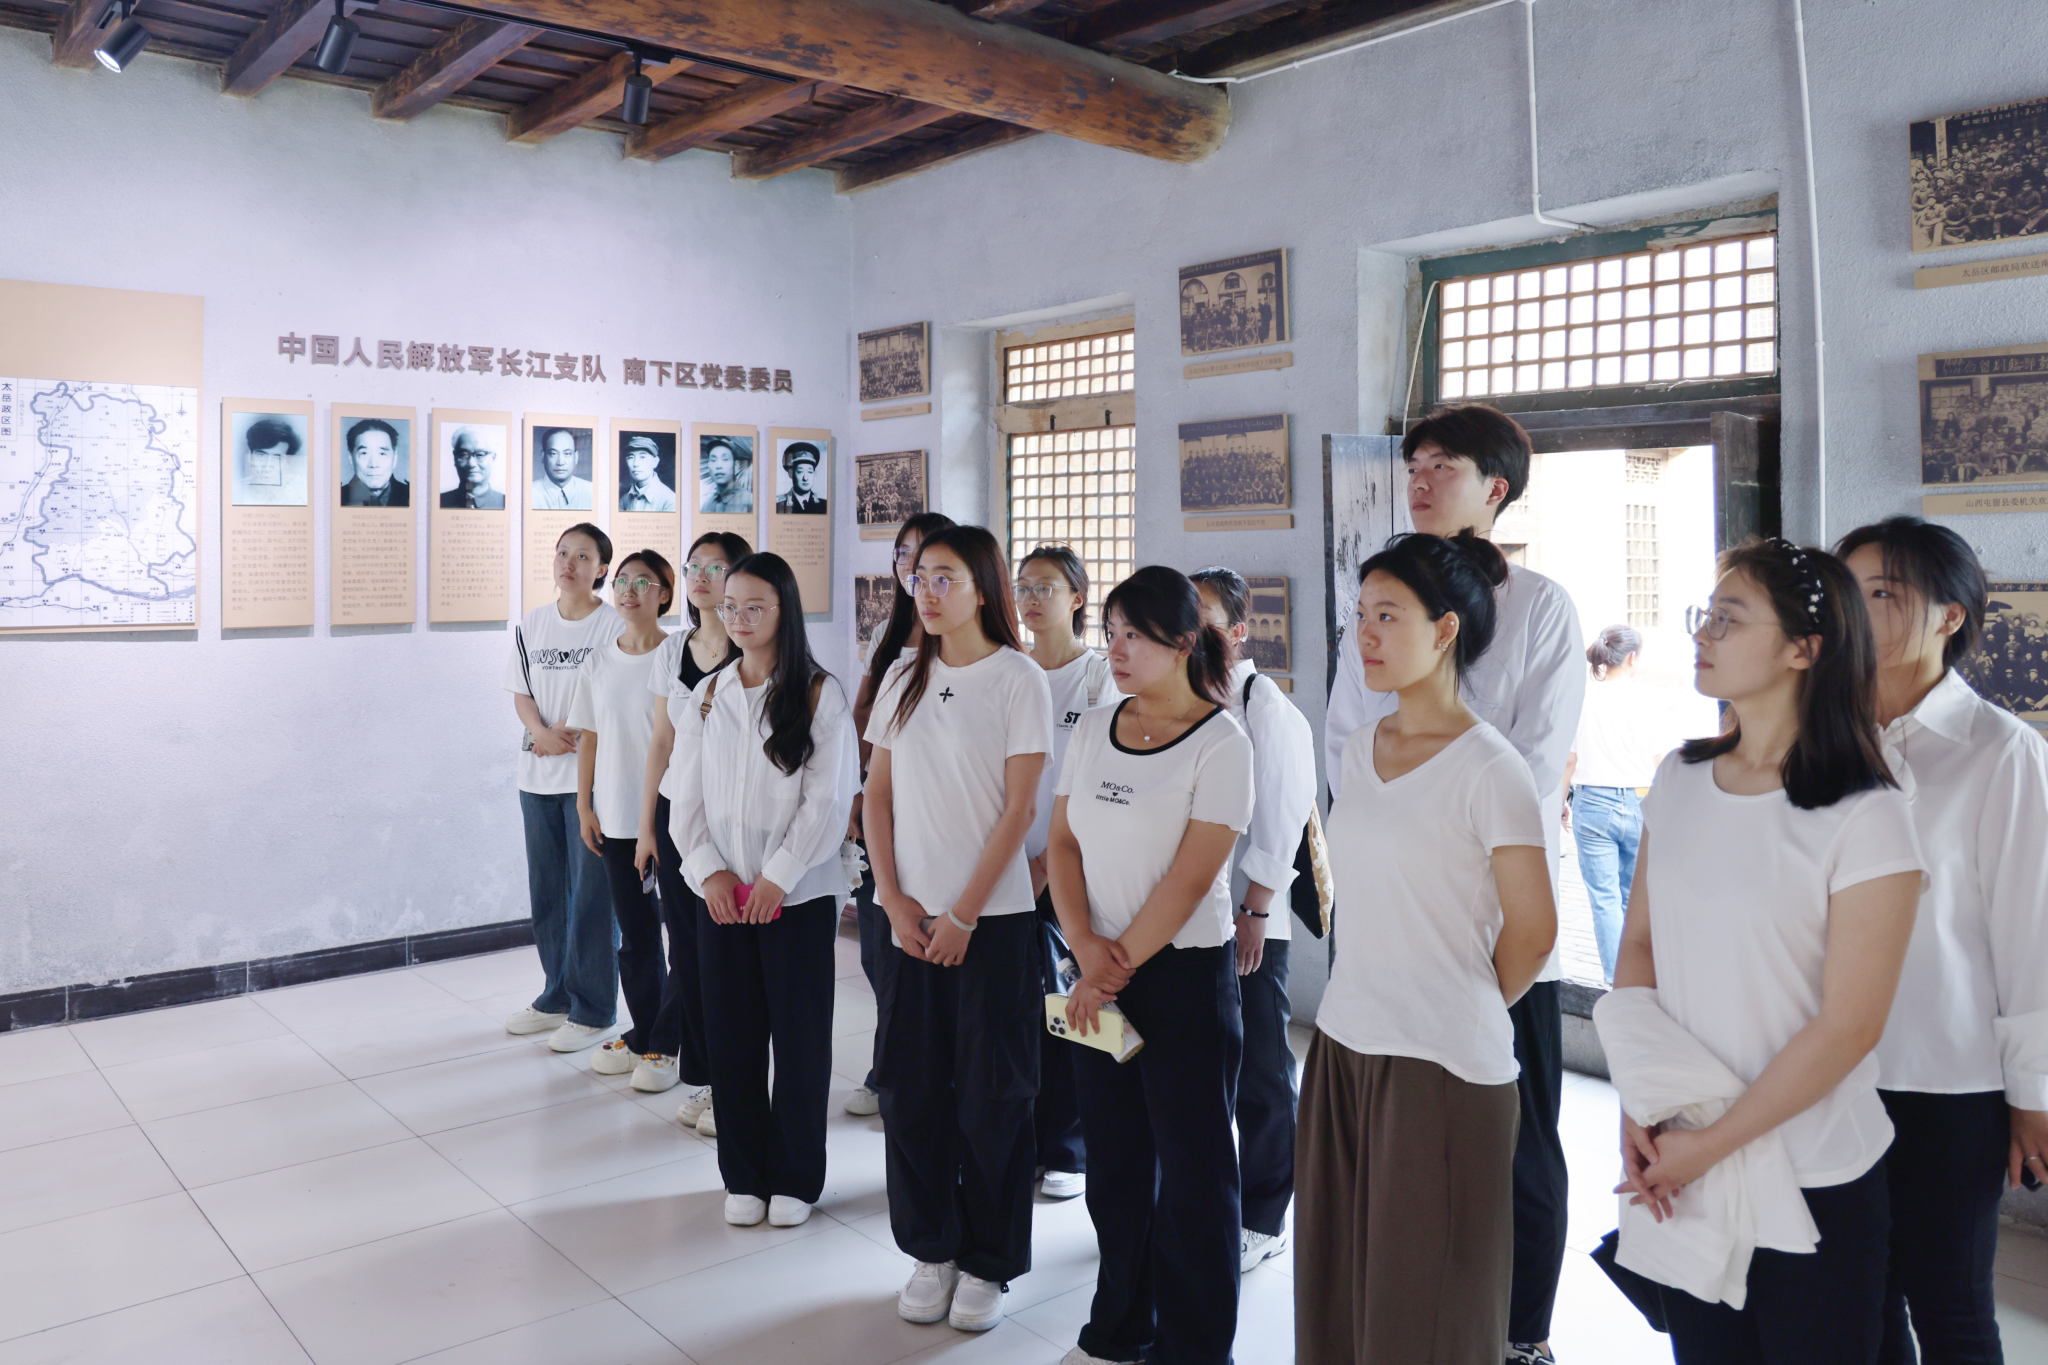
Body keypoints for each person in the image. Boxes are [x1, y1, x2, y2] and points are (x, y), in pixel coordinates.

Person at [1602, 538, 1925, 1362]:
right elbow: (1640, 946)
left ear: (1803, 649)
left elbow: (1849, 1025)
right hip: (1688, 1158)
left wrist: (1708, 1145)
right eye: (1704, 615)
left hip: (1813, 1170)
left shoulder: (1867, 813)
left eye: (1728, 618)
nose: (1702, 633)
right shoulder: (1679, 777)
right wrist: (1640, 1102)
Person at [1322, 404, 1584, 1365]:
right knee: (1388, 1171)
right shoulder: (1378, 599)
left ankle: (1523, 1331)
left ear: (1496, 488)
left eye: (1445, 466)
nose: (1421, 481)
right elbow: (1347, 735)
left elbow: (1534, 756)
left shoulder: (1540, 605)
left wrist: (1468, 985)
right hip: (1395, 912)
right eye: (1415, 465)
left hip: (1497, 912)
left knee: (1520, 1138)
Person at [1835, 517, 2048, 1365]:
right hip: (1826, 1070)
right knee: (1862, 1302)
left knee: (1952, 1305)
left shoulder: (2002, 752)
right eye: (1849, 590)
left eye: (1883, 592)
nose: (1857, 609)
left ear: (1949, 616)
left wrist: (2032, 1093)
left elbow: (2032, 931)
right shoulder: (1822, 738)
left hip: (1949, 1080)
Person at [1047, 566, 1253, 1365]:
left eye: (1136, 634)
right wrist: (1082, 947)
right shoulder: (1095, 725)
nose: (1118, 649)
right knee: (1116, 1164)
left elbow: (1192, 878)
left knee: (1196, 1176)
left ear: (1184, 641)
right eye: (1112, 633)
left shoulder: (1221, 742)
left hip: (1182, 980)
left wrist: (1110, 965)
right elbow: (1063, 842)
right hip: (1095, 968)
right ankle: (1118, 1326)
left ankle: (1195, 1348)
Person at [864, 524, 1053, 1334]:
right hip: (908, 920)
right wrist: (894, 898)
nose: (929, 591)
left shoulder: (1018, 678)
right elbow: (877, 795)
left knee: (993, 1097)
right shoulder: (903, 672)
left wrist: (964, 912)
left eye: (946, 577)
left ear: (984, 588)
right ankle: (931, 1247)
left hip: (993, 924)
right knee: (909, 1092)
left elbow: (1020, 810)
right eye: (921, 578)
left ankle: (988, 1260)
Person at [672, 551, 856, 1229]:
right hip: (722, 897)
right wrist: (708, 869)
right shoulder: (708, 693)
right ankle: (744, 1173)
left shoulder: (818, 693)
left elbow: (827, 799)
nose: (740, 618)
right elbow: (683, 793)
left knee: (800, 1041)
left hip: (796, 897)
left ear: (784, 610)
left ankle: (797, 1178)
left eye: (756, 606)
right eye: (731, 606)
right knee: (732, 1038)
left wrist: (779, 875)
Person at [1189, 564, 1316, 1275]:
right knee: (1202, 1066)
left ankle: (1265, 1216)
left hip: (1249, 916)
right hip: (1189, 916)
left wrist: (1255, 911)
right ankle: (1206, 1198)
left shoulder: (1265, 706)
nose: (1189, 627)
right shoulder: (1180, 695)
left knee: (1262, 1066)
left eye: (1203, 614)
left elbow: (1281, 817)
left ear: (1238, 630)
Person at [636, 531, 751, 1133]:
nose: (702, 577)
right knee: (687, 949)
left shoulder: (753, 645)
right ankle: (707, 1077)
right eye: (694, 567)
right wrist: (646, 827)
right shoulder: (673, 650)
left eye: (717, 566)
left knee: (727, 953)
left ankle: (739, 1082)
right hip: (678, 815)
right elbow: (661, 742)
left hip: (733, 818)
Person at [843, 510, 955, 1119]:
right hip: (880, 808)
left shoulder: (962, 643)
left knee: (921, 958)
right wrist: (856, 792)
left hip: (936, 818)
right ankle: (890, 1069)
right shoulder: (887, 634)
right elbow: (861, 721)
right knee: (878, 952)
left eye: (926, 554)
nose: (911, 564)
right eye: (903, 553)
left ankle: (907, 1077)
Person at [1017, 545, 1119, 1201]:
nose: (1030, 599)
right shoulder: (1010, 671)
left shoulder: (1100, 677)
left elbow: (1103, 781)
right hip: (1007, 867)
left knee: (1071, 1004)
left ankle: (1069, 1148)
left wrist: (1047, 864)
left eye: (1045, 587)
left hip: (1073, 869)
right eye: (1023, 586)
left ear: (1078, 597)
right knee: (1018, 1009)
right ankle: (1025, 1137)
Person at [504, 524, 623, 1053]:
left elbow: (613, 695)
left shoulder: (612, 625)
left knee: (593, 898)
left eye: (582, 556)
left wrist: (565, 732)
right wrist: (539, 732)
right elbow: (521, 692)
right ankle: (556, 995)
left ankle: (594, 1009)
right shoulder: (533, 623)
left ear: (601, 569)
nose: (568, 564)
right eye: (562, 553)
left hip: (590, 781)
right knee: (549, 893)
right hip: (537, 777)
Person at [567, 550, 678, 1078]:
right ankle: (646, 1034)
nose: (629, 591)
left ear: (665, 592)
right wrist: (583, 803)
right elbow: (589, 736)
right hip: (614, 818)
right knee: (635, 937)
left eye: (643, 582)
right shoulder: (598, 659)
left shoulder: (677, 655)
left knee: (684, 940)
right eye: (622, 581)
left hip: (669, 818)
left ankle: (673, 1043)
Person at [1565, 624, 1661, 985]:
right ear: (1632, 658)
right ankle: (1639, 978)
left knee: (1604, 899)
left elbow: (1570, 760)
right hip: (1640, 801)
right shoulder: (1647, 700)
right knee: (1635, 899)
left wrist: (1559, 803)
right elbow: (1661, 761)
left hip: (1591, 803)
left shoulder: (1581, 699)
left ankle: (1614, 980)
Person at [340, 418, 408, 507]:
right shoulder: (337, 498)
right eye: (364, 453)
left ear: (394, 458)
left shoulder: (412, 495)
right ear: (351, 458)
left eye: (382, 454)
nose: (373, 464)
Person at [236, 416, 304, 505]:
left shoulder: (301, 493)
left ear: (288, 463)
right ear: (249, 455)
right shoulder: (236, 489)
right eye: (261, 456)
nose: (267, 467)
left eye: (277, 459)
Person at [442, 426, 506, 509]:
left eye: (480, 455)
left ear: (493, 458)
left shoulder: (505, 504)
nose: (471, 464)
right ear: (455, 457)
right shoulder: (440, 502)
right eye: (464, 455)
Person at [533, 427, 594, 511]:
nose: (560, 462)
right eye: (553, 454)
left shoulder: (591, 491)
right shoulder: (530, 492)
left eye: (567, 454)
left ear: (576, 457)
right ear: (543, 456)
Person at [619, 434, 677, 513]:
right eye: (630, 457)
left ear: (655, 462)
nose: (635, 463)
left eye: (642, 457)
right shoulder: (624, 500)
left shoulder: (670, 500)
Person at [701, 439, 752, 514]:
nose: (718, 466)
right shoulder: (707, 505)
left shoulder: (749, 501)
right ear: (708, 466)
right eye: (713, 460)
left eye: (725, 459)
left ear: (736, 465)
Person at [776, 442, 827, 514]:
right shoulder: (779, 505)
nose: (805, 478)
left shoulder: (824, 504)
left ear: (814, 474)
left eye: (810, 472)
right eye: (800, 471)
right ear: (791, 474)